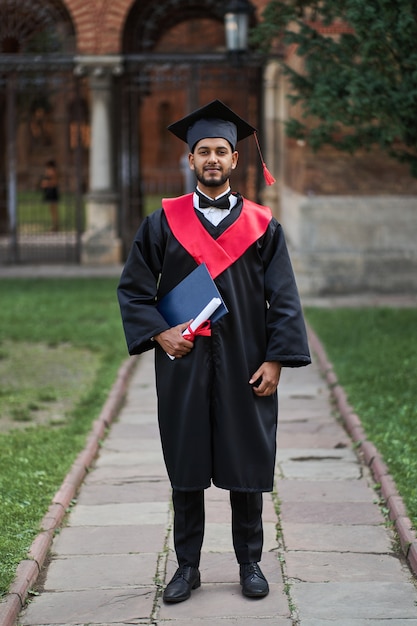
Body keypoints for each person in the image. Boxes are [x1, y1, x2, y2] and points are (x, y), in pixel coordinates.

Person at [117, 100, 311, 604]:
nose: (212, 159)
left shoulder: (263, 225)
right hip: (184, 361)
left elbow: (284, 297)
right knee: (186, 463)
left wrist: (276, 359)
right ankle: (187, 566)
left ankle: (250, 563)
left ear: (235, 160)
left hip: (247, 360)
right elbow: (134, 290)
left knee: (246, 460)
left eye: (221, 151)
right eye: (203, 151)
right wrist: (160, 334)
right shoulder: (162, 222)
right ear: (191, 159)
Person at [41, 159, 60, 231]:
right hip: (50, 192)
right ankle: (54, 225)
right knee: (52, 210)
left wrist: (46, 183)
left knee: (54, 210)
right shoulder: (50, 172)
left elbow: (54, 182)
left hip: (53, 192)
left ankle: (55, 226)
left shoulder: (53, 172)